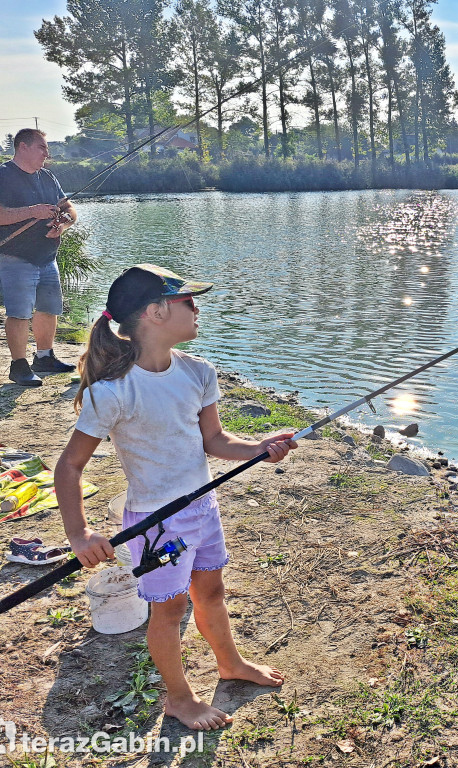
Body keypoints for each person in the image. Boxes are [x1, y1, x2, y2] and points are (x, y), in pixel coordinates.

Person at [54, 264, 298, 729]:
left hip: (203, 510)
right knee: (168, 613)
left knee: (211, 591)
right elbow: (69, 466)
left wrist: (260, 448)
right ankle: (180, 698)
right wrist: (79, 532)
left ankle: (231, 665)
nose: (197, 308)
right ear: (157, 311)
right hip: (158, 523)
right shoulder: (112, 392)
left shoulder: (199, 373)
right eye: (189, 301)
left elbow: (215, 441)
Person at [0, 128, 78, 386]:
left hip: (47, 256)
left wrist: (63, 224)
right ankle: (18, 366)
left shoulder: (48, 176)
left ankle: (44, 357)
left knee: (49, 308)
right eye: (42, 147)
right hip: (14, 256)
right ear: (23, 147)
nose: (47, 153)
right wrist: (32, 211)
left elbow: (68, 208)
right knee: (20, 312)